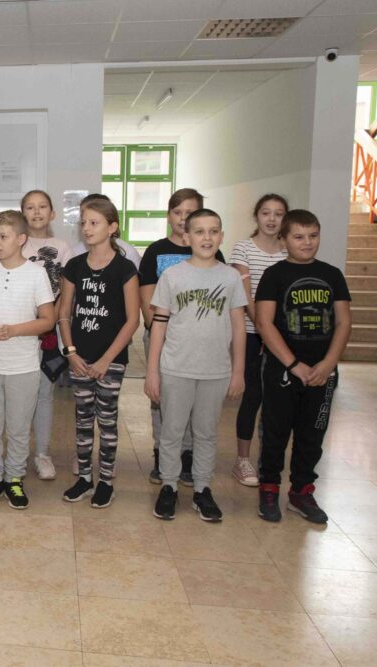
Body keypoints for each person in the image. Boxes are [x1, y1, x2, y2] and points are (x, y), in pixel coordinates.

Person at [146, 209, 247, 522]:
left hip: (215, 371)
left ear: (221, 236)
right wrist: (152, 372)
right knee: (172, 432)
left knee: (206, 433)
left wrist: (238, 371)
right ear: (186, 237)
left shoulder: (230, 277)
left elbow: (239, 326)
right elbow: (158, 324)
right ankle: (169, 486)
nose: (207, 237)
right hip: (175, 368)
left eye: (213, 231)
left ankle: (202, 489)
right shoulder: (172, 276)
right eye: (200, 232)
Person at [255, 210, 351, 524]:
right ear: (283, 240)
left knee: (312, 434)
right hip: (283, 371)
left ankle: (301, 492)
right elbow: (265, 323)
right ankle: (269, 488)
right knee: (276, 431)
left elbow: (343, 322)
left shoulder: (332, 275)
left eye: (313, 236)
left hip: (323, 372)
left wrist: (328, 364)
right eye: (298, 237)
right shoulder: (274, 275)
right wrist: (294, 364)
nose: (307, 242)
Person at [0, 211, 54, 509]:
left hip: (23, 366)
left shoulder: (36, 274)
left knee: (18, 427)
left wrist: (14, 330)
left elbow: (47, 319)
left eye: (3, 237)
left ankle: (14, 478)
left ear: (21, 239)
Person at [58, 197, 139, 508]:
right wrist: (70, 352)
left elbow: (133, 320)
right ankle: (84, 479)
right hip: (80, 358)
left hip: (111, 360)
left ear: (112, 227)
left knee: (106, 420)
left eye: (94, 223)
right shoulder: (74, 266)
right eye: (83, 223)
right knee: (82, 419)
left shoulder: (125, 268)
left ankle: (105, 481)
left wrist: (106, 359)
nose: (87, 228)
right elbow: (64, 313)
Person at [139, 189, 224, 486]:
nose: (183, 218)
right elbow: (147, 296)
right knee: (161, 399)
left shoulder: (213, 253)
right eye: (178, 212)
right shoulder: (155, 251)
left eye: (190, 213)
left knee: (195, 403)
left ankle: (187, 456)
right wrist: (160, 332)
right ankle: (161, 454)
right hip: (162, 338)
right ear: (168, 216)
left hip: (200, 344)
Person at [229, 194, 289, 487]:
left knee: (278, 400)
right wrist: (265, 330)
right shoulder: (243, 249)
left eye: (278, 214)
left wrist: (276, 334)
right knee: (252, 395)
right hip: (252, 334)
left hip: (282, 337)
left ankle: (269, 459)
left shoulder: (289, 251)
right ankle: (242, 460)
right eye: (266, 212)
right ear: (257, 216)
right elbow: (245, 296)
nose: (272, 219)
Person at [20, 190, 71, 480]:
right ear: (22, 213)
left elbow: (67, 290)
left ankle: (42, 453)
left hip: (48, 332)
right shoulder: (15, 242)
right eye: (30, 207)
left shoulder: (61, 247)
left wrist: (53, 321)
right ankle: (15, 454)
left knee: (43, 393)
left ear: (52, 213)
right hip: (20, 330)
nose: (37, 212)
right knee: (17, 395)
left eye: (42, 207)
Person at [69, 194, 142, 269]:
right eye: (83, 222)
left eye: (93, 222)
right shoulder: (73, 253)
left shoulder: (128, 253)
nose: (85, 228)